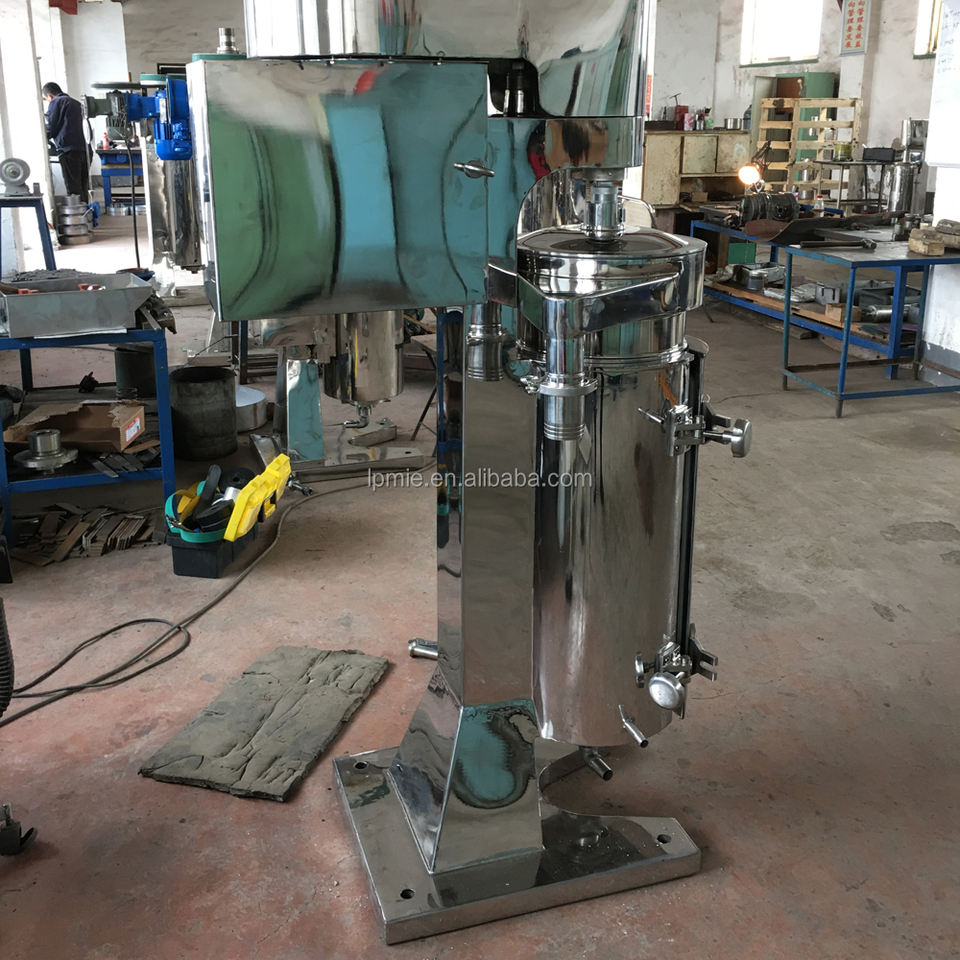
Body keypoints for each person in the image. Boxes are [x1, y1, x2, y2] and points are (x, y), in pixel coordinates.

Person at [42, 81, 90, 204]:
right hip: (85, 150)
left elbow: (51, 125)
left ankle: (78, 214)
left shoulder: (56, 102)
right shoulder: (76, 103)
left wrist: (44, 138)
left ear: (49, 96)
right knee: (83, 186)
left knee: (74, 189)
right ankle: (86, 212)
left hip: (70, 151)